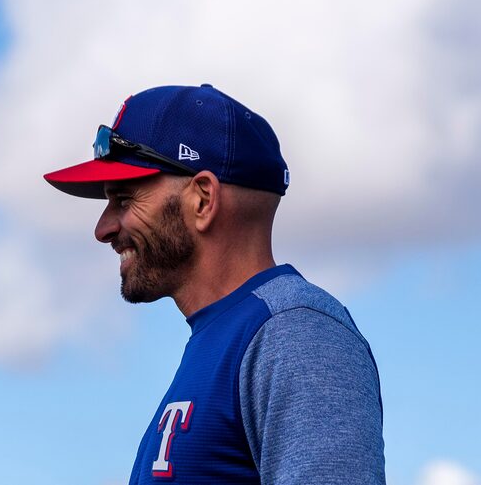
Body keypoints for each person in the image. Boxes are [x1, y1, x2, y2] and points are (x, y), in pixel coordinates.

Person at [44, 84, 385, 484]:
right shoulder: (230, 338)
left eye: (124, 199)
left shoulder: (295, 334)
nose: (103, 228)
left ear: (203, 199)